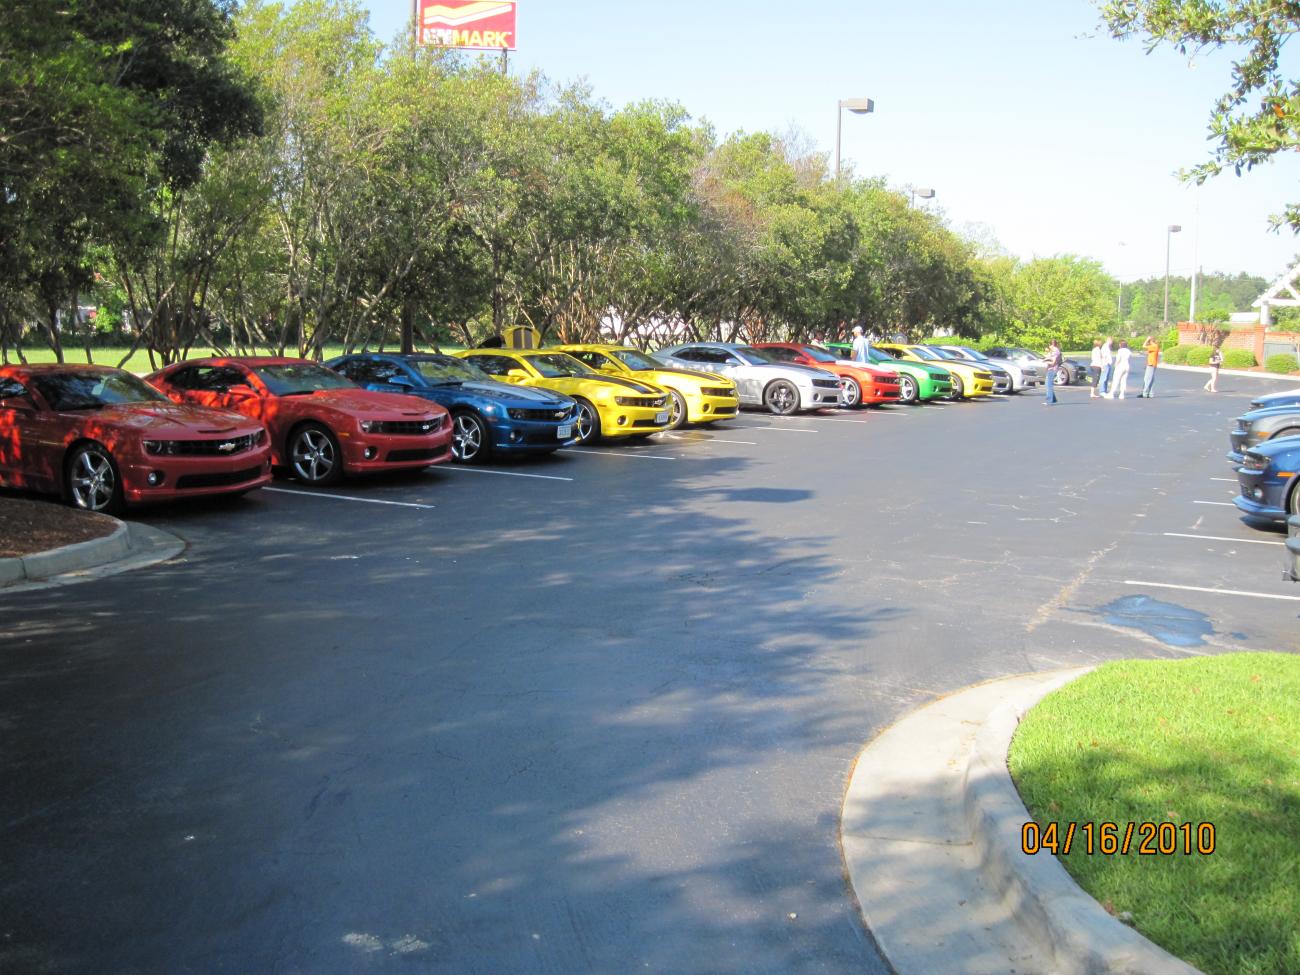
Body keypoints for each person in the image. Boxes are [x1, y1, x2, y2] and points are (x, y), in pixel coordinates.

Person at [1043, 340, 1062, 405]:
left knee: (1049, 385)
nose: (1049, 347)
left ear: (1052, 345)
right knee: (1048, 384)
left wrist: (1045, 361)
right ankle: (1053, 399)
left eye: (1050, 345)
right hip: (1051, 369)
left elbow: (1053, 362)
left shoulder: (1055, 351)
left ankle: (1049, 401)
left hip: (1052, 369)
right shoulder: (1054, 351)